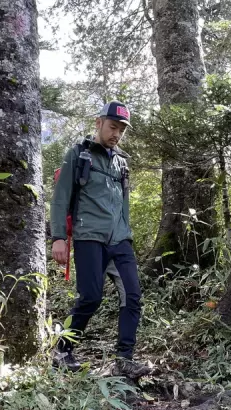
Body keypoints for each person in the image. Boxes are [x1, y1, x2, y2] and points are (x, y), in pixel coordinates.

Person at [50, 101, 150, 379]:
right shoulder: (78, 155)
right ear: (99, 123)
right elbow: (60, 198)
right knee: (90, 297)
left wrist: (126, 232)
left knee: (132, 296)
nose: (116, 134)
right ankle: (62, 350)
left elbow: (124, 203)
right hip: (88, 237)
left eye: (121, 130)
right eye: (112, 127)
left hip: (120, 240)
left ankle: (124, 359)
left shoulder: (122, 163)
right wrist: (58, 237)